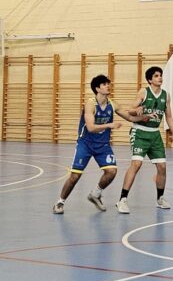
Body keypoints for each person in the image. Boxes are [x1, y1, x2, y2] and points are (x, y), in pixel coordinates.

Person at [53, 75, 133, 214]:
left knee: (111, 171)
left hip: (103, 145)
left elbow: (130, 117)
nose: (108, 86)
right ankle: (60, 202)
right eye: (104, 84)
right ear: (97, 88)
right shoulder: (90, 104)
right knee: (74, 177)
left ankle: (95, 194)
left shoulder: (112, 104)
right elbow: (90, 127)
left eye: (108, 83)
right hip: (86, 144)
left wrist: (144, 116)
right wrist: (110, 125)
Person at [115, 66, 173, 213]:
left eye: (161, 75)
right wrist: (137, 110)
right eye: (156, 76)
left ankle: (160, 199)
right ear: (150, 79)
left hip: (155, 134)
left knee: (162, 167)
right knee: (136, 164)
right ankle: (122, 200)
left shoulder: (166, 96)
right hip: (140, 132)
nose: (160, 78)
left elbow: (168, 117)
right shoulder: (144, 92)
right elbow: (129, 110)